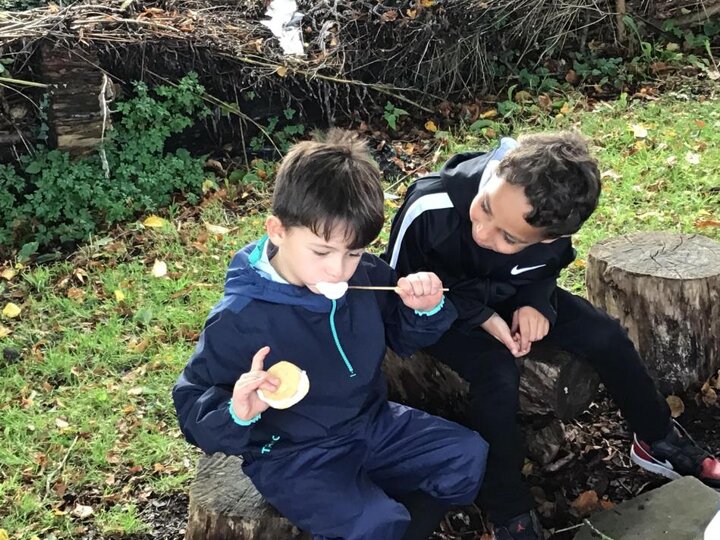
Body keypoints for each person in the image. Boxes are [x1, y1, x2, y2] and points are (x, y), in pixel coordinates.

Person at [383, 132, 720, 540]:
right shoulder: (429, 205)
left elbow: (546, 270)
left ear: (550, 236)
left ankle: (656, 436)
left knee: (604, 334)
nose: (483, 232)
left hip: (509, 296)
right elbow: (395, 287)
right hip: (437, 312)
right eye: (485, 207)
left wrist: (536, 303)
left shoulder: (553, 221)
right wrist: (482, 316)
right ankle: (507, 507)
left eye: (509, 238)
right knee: (495, 371)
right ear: (497, 174)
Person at [173, 129, 488, 540]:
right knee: (375, 522)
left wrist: (424, 308)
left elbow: (402, 337)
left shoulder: (366, 276)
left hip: (371, 424)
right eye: (321, 252)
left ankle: (407, 524)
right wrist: (235, 412)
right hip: (294, 456)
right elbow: (191, 402)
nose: (338, 270)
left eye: (353, 252)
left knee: (466, 455)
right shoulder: (241, 316)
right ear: (277, 230)